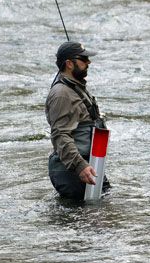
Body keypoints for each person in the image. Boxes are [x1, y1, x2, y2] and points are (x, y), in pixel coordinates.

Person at [45, 41, 109, 200]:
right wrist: (80, 166)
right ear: (69, 64)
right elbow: (60, 135)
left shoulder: (74, 87)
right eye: (83, 59)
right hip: (73, 171)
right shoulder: (62, 94)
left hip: (85, 165)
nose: (89, 62)